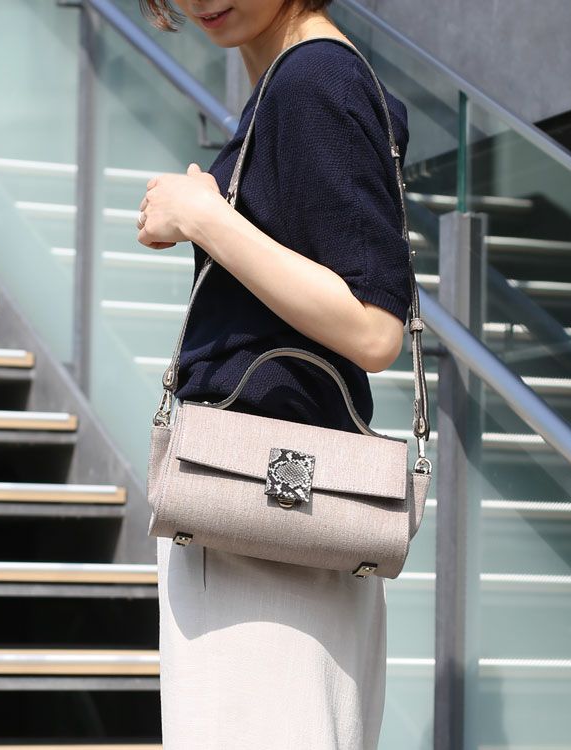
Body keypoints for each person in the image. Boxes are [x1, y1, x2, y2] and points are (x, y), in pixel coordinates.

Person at [136, 1, 411, 747]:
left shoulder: (313, 81)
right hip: (271, 516)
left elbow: (374, 325)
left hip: (263, 524)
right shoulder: (298, 82)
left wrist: (205, 217)